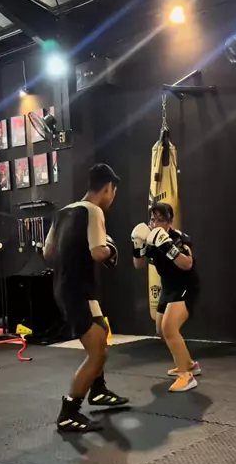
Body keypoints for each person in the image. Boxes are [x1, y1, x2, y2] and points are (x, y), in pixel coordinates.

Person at [44, 163, 129, 433]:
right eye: (113, 192)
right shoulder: (94, 211)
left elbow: (48, 252)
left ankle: (99, 390)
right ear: (108, 188)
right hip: (76, 291)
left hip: (69, 288)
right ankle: (69, 412)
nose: (112, 197)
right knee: (97, 352)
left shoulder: (62, 213)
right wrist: (112, 248)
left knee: (102, 335)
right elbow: (98, 252)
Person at [131, 203, 201, 392]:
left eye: (160, 220)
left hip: (185, 286)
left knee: (169, 328)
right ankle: (190, 364)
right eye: (153, 219)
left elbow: (187, 264)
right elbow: (138, 264)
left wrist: (167, 246)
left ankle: (186, 376)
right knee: (161, 331)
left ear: (169, 222)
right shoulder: (149, 239)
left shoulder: (179, 238)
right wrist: (137, 245)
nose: (155, 224)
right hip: (168, 287)